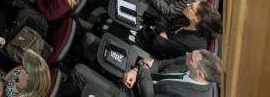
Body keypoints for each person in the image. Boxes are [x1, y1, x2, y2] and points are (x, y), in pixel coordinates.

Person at [72, 49, 222, 96]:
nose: (187, 54)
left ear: (200, 74)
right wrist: (137, 70)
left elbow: (148, 95)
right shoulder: (188, 62)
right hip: (140, 78)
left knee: (79, 71)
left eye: (191, 57)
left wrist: (142, 67)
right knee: (94, 43)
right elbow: (159, 64)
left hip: (135, 94)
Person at [135, 1, 222, 60]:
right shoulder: (188, 19)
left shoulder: (192, 45)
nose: (187, 4)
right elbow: (165, 17)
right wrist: (162, 32)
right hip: (147, 32)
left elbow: (159, 44)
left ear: (197, 18)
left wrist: (160, 32)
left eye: (191, 7)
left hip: (144, 46)